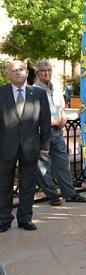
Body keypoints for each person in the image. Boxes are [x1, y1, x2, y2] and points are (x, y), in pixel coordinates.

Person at [0, 60, 51, 233]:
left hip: (31, 147)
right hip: (5, 147)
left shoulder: (38, 94)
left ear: (27, 72)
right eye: (14, 70)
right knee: (3, 184)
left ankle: (25, 218)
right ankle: (4, 218)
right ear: (8, 73)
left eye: (21, 69)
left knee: (28, 184)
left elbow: (45, 122)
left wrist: (45, 145)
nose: (18, 72)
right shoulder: (1, 92)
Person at [33, 60, 86, 205]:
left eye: (49, 70)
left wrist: (63, 117)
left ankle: (70, 194)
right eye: (43, 71)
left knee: (63, 164)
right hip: (41, 134)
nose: (46, 73)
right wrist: (52, 122)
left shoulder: (56, 88)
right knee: (43, 167)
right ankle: (52, 195)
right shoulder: (33, 90)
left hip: (57, 132)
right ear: (38, 73)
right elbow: (33, 115)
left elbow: (61, 107)